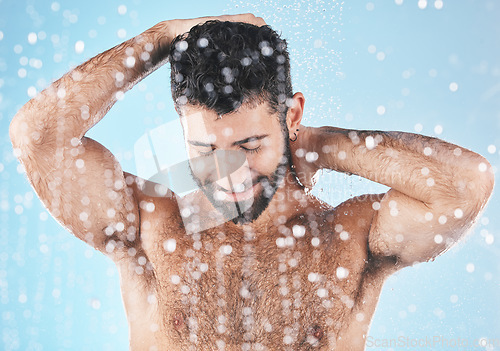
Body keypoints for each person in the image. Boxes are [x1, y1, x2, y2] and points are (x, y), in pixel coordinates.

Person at [9, 13, 493, 351]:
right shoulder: (153, 224)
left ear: (292, 116)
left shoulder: (350, 236)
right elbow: (37, 136)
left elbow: (466, 185)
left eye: (248, 147)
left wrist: (321, 144)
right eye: (204, 151)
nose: (230, 177)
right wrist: (163, 37)